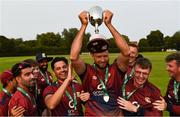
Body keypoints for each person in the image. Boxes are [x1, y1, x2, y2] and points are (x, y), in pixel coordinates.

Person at [70, 10, 130, 116]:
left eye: (105, 56)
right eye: (98, 57)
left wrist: (109, 24)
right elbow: (73, 57)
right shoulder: (87, 71)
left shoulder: (116, 69)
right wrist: (83, 26)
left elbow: (126, 52)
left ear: (109, 53)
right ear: (92, 55)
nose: (102, 59)